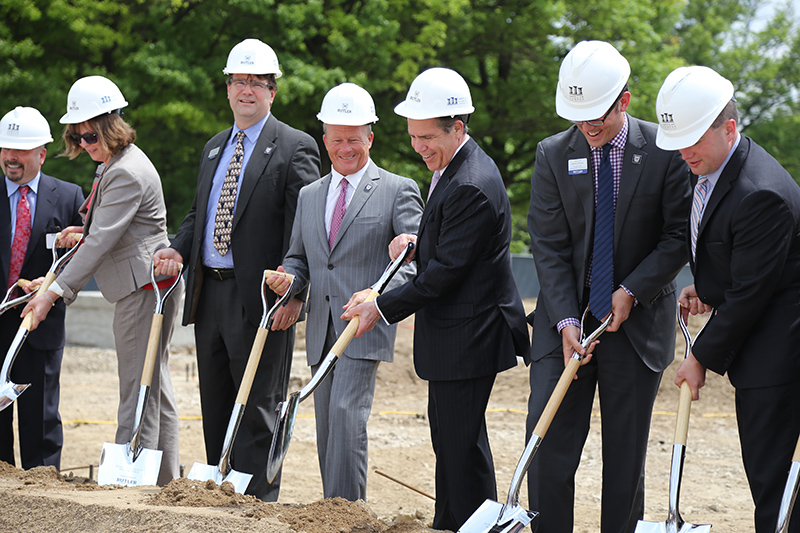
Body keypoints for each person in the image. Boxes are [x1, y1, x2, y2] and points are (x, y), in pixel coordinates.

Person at [341, 67, 529, 530]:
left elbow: (445, 275)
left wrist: (380, 307)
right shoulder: (455, 168)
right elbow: (451, 246)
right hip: (459, 333)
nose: (419, 146)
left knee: (460, 443)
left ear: (457, 127)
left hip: (470, 333)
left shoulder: (470, 183)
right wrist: (417, 242)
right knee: (452, 439)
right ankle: (453, 521)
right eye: (413, 136)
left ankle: (467, 523)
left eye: (427, 136)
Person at [525, 40, 691, 532]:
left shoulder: (665, 152)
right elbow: (548, 244)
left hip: (637, 330)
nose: (588, 126)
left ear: (625, 99)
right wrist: (566, 318)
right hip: (566, 327)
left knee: (625, 461)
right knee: (549, 447)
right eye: (579, 117)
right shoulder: (554, 154)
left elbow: (677, 235)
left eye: (597, 114)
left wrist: (633, 289)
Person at [153, 38, 320, 501]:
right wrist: (176, 249)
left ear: (272, 90)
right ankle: (220, 500)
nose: (246, 90)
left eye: (256, 82)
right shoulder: (213, 148)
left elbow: (302, 229)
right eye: (239, 81)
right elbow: (197, 216)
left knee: (258, 410)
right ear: (228, 88)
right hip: (210, 297)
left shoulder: (295, 147)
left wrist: (295, 293)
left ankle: (258, 508)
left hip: (264, 301)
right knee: (217, 405)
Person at [656, 65, 800, 532]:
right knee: (768, 478)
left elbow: (752, 295)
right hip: (764, 336)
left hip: (781, 353)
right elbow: (739, 261)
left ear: (730, 127)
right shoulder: (716, 169)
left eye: (694, 140)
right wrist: (711, 287)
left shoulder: (760, 193)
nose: (684, 152)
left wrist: (699, 356)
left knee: (773, 480)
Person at [22, 76, 183, 486]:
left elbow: (99, 244)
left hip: (144, 289)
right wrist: (73, 248)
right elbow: (101, 232)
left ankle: (131, 484)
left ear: (112, 124)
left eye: (91, 135)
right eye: (77, 137)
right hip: (146, 284)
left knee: (138, 386)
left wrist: (52, 293)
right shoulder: (114, 163)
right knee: (154, 385)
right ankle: (164, 484)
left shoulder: (126, 171)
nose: (85, 144)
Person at [267, 82, 423, 501]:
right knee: (326, 425)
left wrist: (379, 297)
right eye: (337, 140)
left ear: (370, 137)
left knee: (346, 416)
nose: (346, 148)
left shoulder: (398, 189)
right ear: (325, 140)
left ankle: (347, 514)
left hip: (364, 327)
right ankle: (332, 510)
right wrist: (290, 281)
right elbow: (299, 260)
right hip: (320, 331)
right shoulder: (309, 195)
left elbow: (413, 262)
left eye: (354, 139)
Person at [0, 106, 84, 470]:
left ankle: (42, 487)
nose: (11, 158)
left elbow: (86, 253)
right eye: (5, 148)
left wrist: (56, 285)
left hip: (41, 325)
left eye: (21, 150)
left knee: (42, 417)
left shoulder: (68, 197)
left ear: (42, 154)